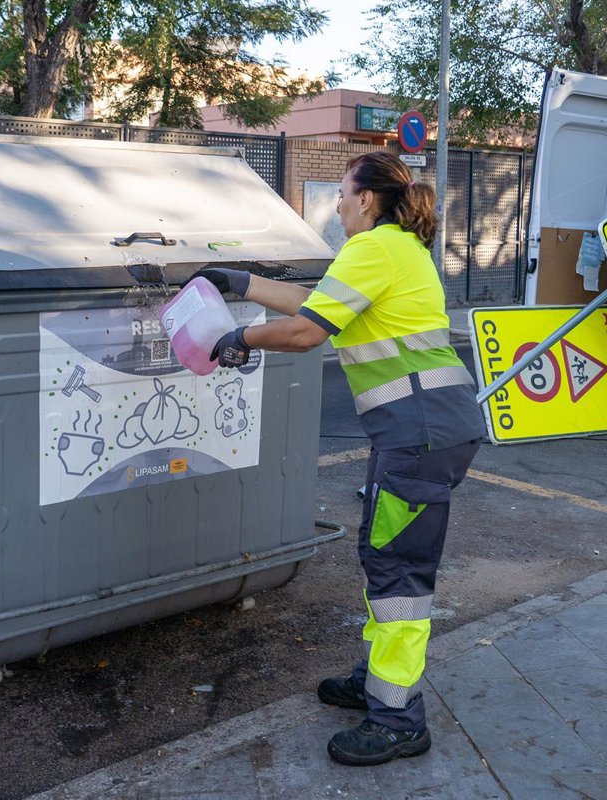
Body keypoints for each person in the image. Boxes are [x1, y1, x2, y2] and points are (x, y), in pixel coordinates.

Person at [189, 151, 485, 766]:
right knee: (384, 556)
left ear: (367, 200)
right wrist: (239, 282)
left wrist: (237, 337)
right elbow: (316, 304)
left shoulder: (374, 247)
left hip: (419, 432)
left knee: (398, 570)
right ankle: (378, 680)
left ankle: (399, 719)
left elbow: (306, 332)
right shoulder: (395, 249)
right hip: (423, 428)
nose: (340, 207)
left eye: (344, 196)